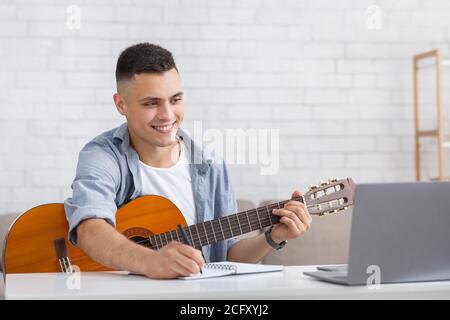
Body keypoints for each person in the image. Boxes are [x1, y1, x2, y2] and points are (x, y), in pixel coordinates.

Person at [64, 43, 312, 279]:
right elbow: (90, 229)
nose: (167, 115)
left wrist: (273, 237)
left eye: (175, 99)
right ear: (121, 104)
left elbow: (225, 258)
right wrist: (151, 261)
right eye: (151, 103)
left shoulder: (210, 165)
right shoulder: (102, 155)